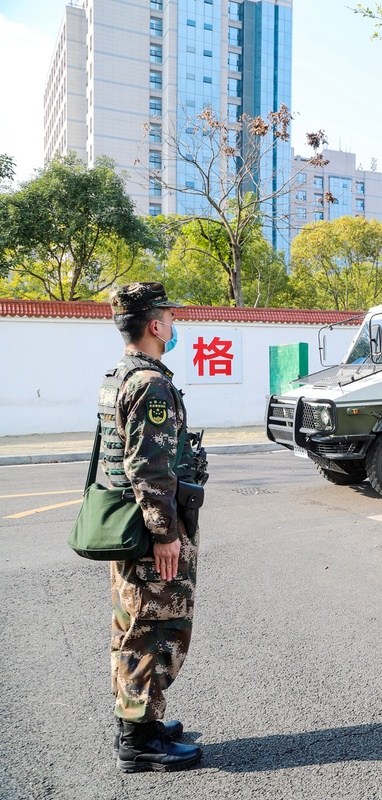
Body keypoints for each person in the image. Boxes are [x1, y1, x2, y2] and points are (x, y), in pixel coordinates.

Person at [102, 282, 203, 772]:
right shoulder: (150, 384)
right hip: (151, 531)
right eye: (166, 314)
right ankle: (139, 742)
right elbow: (149, 466)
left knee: (132, 625)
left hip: (130, 521)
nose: (172, 322)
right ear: (154, 325)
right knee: (158, 628)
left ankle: (139, 722)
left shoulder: (118, 376)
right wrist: (165, 535)